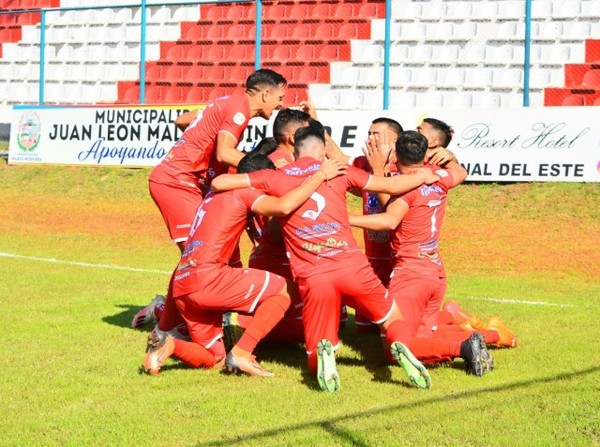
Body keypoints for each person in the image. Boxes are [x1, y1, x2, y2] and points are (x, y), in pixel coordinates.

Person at [212, 123, 457, 392]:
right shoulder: (340, 171)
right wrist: (425, 177)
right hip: (353, 267)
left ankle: (323, 360)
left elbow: (219, 182)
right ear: (321, 151)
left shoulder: (278, 177)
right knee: (390, 318)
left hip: (315, 276)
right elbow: (390, 184)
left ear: (295, 151)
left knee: (318, 339)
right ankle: (399, 342)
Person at [142, 151, 347, 377]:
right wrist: (320, 175)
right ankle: (243, 351)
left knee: (214, 358)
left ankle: (169, 346)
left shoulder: (211, 197)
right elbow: (283, 207)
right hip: (208, 279)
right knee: (286, 289)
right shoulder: (245, 192)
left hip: (183, 282)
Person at [132, 69, 287, 335]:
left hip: (184, 182)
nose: (281, 103)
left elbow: (183, 121)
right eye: (280, 96)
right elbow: (225, 152)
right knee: (201, 259)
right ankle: (171, 325)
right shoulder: (238, 108)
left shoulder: (226, 102)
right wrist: (266, 171)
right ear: (265, 93)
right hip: (175, 182)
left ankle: (167, 320)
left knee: (199, 259)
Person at [349, 130, 497, 374]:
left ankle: (464, 347)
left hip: (412, 275)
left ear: (396, 156)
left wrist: (345, 219)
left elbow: (389, 220)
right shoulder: (438, 177)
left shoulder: (406, 187)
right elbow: (461, 173)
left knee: (395, 347)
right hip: (434, 272)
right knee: (422, 339)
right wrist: (449, 157)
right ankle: (492, 335)